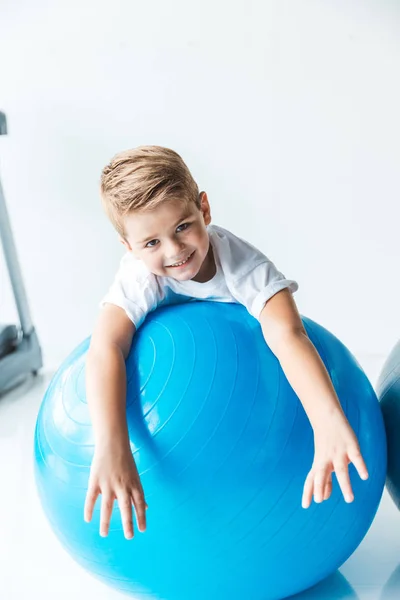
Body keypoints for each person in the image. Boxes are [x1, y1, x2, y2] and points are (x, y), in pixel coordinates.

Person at [84, 146, 369, 540]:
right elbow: (104, 349)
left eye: (183, 226)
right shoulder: (138, 276)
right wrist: (112, 444)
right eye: (151, 243)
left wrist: (327, 422)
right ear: (129, 248)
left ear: (205, 209)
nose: (174, 250)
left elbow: (288, 335)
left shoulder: (245, 268)